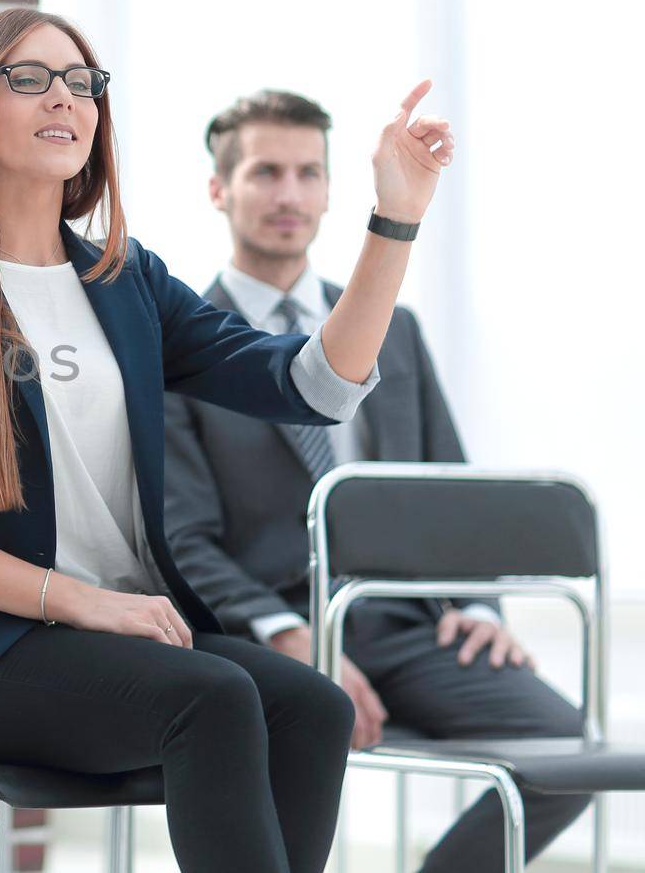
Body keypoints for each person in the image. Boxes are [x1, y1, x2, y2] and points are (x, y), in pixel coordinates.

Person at [0, 6, 457, 873]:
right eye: (32, 77)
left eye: (82, 81)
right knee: (214, 699)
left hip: (126, 641)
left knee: (314, 707)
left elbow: (313, 386)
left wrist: (394, 220)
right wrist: (81, 600)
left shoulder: (125, 280)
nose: (67, 98)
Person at [164, 88, 589, 872]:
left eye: (306, 173)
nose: (288, 194)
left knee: (567, 750)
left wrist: (475, 605)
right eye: (264, 173)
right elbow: (180, 538)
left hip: (405, 625)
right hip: (271, 631)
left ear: (330, 190)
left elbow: (449, 493)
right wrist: (289, 634)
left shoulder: (396, 328)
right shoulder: (183, 339)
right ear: (220, 190)